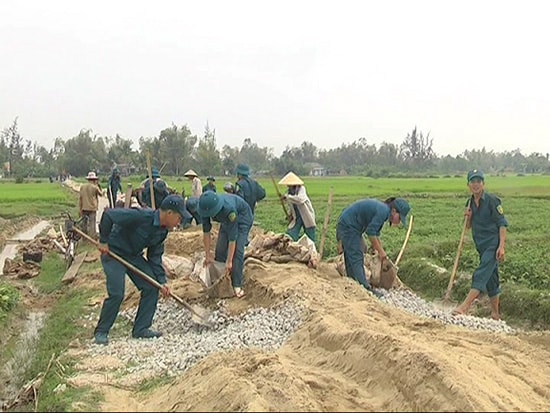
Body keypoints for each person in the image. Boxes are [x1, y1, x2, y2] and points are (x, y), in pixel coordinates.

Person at [93, 194, 191, 345]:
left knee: (152, 286)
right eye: (179, 217)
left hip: (133, 256)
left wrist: (162, 281)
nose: (179, 222)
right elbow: (109, 215)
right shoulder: (141, 216)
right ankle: (102, 331)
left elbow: (155, 257)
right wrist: (104, 241)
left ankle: (141, 329)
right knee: (117, 293)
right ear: (169, 213)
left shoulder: (162, 231)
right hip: (113, 253)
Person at [452, 169, 508, 320]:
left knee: (481, 273)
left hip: (492, 244)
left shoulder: (492, 201)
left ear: (483, 184)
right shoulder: (469, 203)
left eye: (478, 181)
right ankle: (495, 314)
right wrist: (468, 217)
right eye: (473, 182)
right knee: (492, 278)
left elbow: (502, 224)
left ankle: (465, 306)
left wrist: (501, 246)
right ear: (468, 185)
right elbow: (468, 226)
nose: (476, 185)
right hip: (481, 246)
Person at [336, 197, 410, 297]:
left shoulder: (383, 211)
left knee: (351, 256)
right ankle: (365, 288)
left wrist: (378, 250)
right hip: (349, 226)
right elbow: (370, 233)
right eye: (399, 217)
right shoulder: (383, 211)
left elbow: (375, 234)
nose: (399, 221)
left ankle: (352, 282)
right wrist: (381, 252)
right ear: (394, 211)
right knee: (356, 255)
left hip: (349, 224)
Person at [198, 191, 253, 298]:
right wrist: (208, 255)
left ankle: (237, 284)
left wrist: (229, 261)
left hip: (243, 218)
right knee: (220, 250)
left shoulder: (229, 210)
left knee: (237, 251)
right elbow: (206, 233)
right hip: (225, 221)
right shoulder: (204, 209)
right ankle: (222, 278)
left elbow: (233, 238)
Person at [278, 171, 316, 242]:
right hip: (297, 217)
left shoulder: (301, 189)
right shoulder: (289, 192)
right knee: (291, 235)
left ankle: (311, 251)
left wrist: (287, 197)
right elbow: (291, 206)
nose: (288, 186)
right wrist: (289, 215)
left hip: (306, 215)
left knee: (310, 237)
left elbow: (300, 199)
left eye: (290, 184)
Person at [79, 171, 104, 238]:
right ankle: (92, 236)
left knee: (84, 222)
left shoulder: (82, 187)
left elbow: (80, 198)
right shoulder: (95, 187)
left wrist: (80, 208)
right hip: (92, 207)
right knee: (92, 222)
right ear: (94, 180)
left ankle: (84, 236)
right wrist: (99, 185)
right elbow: (101, 194)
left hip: (84, 207)